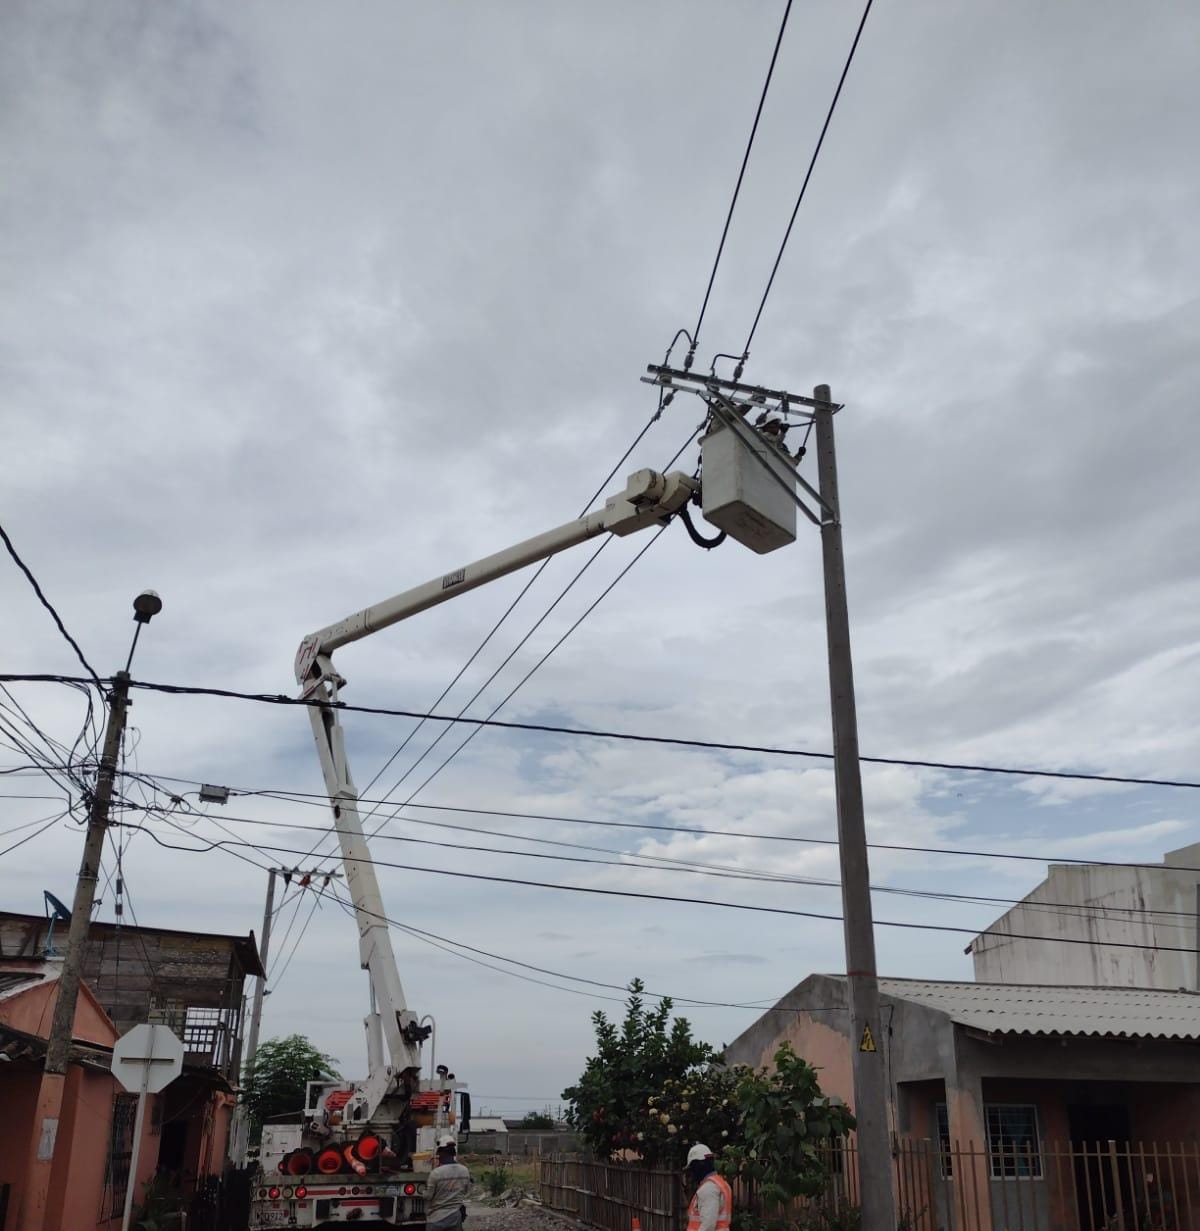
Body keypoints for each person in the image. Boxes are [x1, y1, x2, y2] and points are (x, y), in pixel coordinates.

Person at [426, 1134, 471, 1231]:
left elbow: (428, 1196)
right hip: (455, 1217)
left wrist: (423, 1193)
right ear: (453, 1154)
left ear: (441, 1153)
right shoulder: (464, 1171)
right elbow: (466, 1191)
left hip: (436, 1219)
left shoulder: (436, 1173)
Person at [685, 1143, 732, 1231]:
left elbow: (708, 1226)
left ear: (700, 1165)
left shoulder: (708, 1189)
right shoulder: (721, 1184)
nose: (692, 1173)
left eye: (692, 1168)